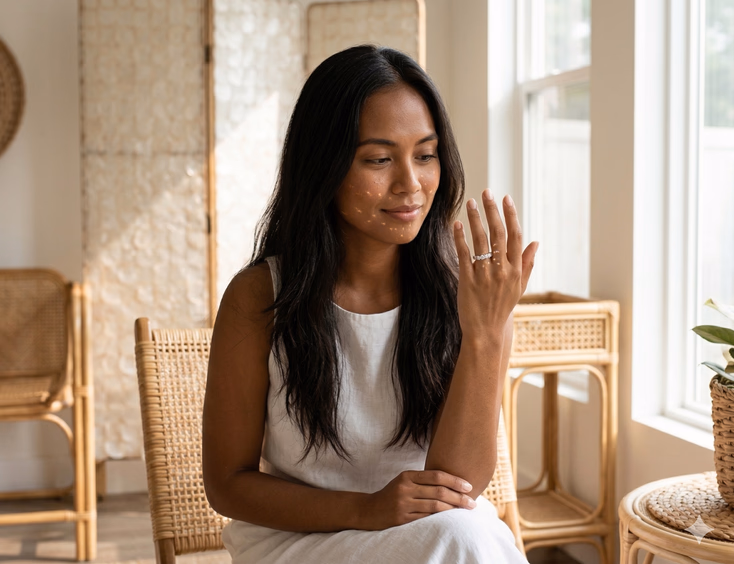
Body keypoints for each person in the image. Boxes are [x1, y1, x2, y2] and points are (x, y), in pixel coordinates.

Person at [202, 44, 538, 564]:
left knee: (465, 535)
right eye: (379, 159)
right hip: (298, 540)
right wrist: (366, 509)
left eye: (425, 155)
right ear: (324, 166)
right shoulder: (260, 296)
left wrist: (487, 332)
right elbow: (227, 485)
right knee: (465, 542)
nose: (411, 185)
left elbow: (458, 487)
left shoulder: (468, 292)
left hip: (432, 535)